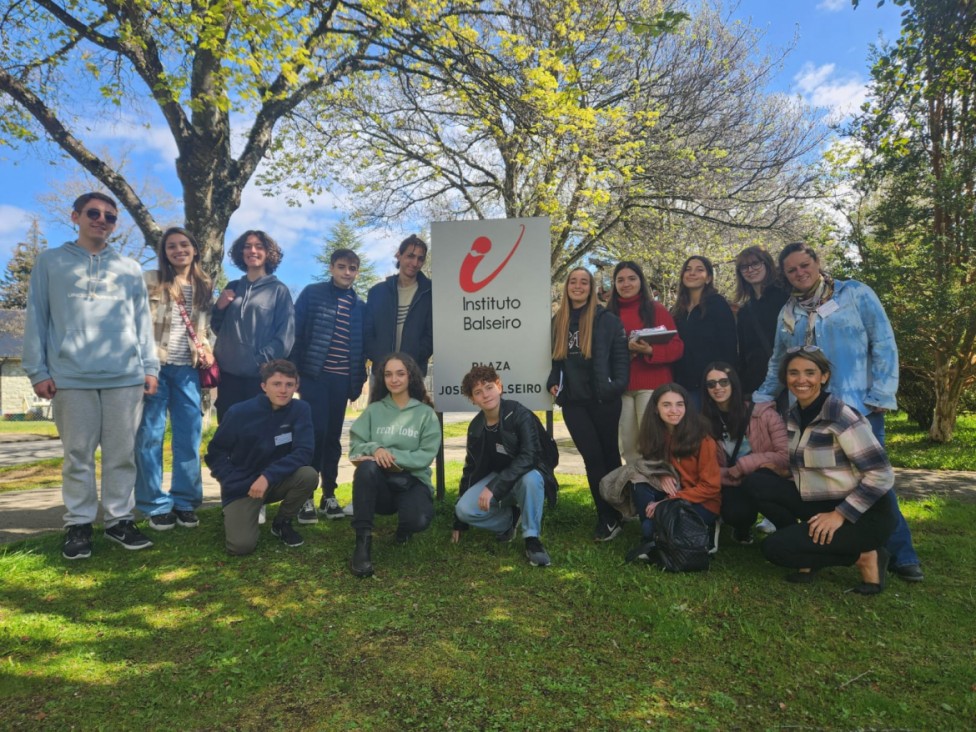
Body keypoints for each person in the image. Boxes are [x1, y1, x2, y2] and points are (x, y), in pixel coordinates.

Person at [752, 242, 923, 582]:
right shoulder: (788, 312)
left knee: (873, 481)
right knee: (820, 481)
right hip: (811, 410)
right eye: (792, 270)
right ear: (785, 276)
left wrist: (882, 392)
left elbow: (884, 342)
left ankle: (901, 553)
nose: (800, 273)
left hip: (858, 405)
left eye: (805, 265)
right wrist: (763, 396)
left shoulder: (855, 294)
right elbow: (778, 359)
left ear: (817, 262)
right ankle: (821, 544)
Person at [23, 192, 160, 559]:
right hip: (70, 376)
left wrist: (150, 367)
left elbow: (141, 323)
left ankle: (119, 521)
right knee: (78, 455)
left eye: (110, 217)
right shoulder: (51, 262)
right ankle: (79, 524)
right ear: (76, 217)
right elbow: (37, 317)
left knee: (121, 455)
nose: (101, 220)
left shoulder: (129, 268)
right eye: (94, 213)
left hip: (125, 376)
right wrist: (37, 370)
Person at [757, 347, 896, 594]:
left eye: (810, 373)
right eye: (793, 373)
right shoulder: (792, 415)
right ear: (785, 378)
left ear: (824, 376)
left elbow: (881, 473)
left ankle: (865, 555)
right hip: (821, 500)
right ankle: (809, 540)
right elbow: (812, 462)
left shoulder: (841, 416)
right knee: (758, 482)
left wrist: (840, 515)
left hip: (864, 514)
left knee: (775, 549)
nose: (801, 380)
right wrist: (784, 474)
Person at [133, 227, 214, 532]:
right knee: (150, 436)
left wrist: (208, 351)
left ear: (194, 248)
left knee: (189, 438)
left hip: (188, 371)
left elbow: (202, 330)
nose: (178, 250)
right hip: (155, 367)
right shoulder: (150, 280)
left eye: (184, 244)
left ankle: (184, 501)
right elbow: (135, 324)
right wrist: (143, 365)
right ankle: (154, 503)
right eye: (171, 246)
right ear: (164, 252)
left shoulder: (205, 284)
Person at [546, 267, 629, 541]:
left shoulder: (607, 320)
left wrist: (614, 386)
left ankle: (619, 511)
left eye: (584, 282)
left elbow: (620, 361)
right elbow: (557, 363)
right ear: (566, 286)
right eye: (573, 281)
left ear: (591, 288)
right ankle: (605, 517)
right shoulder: (558, 321)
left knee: (610, 457)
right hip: (574, 403)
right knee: (592, 458)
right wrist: (553, 382)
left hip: (604, 400)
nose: (578, 286)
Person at [204, 359, 317, 555]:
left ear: (296, 386)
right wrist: (231, 479)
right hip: (244, 485)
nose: (283, 390)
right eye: (276, 384)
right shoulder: (239, 412)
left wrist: (267, 477)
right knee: (241, 546)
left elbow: (304, 452)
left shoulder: (301, 410)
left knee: (309, 475)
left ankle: (282, 523)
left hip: (275, 481)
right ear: (264, 386)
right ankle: (239, 512)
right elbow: (216, 453)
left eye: (289, 385)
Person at [290, 248, 368, 524]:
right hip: (314, 378)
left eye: (352, 268)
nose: (347, 272)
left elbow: (362, 347)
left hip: (341, 382)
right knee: (315, 435)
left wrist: (358, 380)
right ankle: (305, 496)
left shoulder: (360, 306)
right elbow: (296, 331)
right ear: (332, 268)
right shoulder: (312, 294)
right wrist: (294, 372)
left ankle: (329, 494)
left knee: (333, 437)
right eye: (342, 266)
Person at [452, 365, 556, 567]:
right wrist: (459, 521)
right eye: (478, 392)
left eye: (489, 387)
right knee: (463, 509)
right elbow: (470, 471)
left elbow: (530, 456)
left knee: (530, 478)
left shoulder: (520, 414)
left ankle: (532, 540)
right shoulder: (475, 427)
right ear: (473, 399)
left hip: (528, 475)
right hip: (500, 478)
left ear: (499, 386)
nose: (486, 395)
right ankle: (509, 520)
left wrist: (494, 487)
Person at [348, 353, 441, 577]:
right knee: (367, 468)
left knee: (417, 521)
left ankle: (404, 529)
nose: (394, 379)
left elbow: (425, 456)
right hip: (380, 484)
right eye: (388, 374)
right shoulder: (373, 410)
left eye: (400, 373)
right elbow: (354, 447)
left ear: (410, 376)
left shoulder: (425, 414)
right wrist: (374, 449)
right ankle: (362, 543)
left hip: (412, 481)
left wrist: (391, 455)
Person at [625, 383, 721, 561]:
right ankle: (652, 537)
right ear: (656, 409)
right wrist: (661, 473)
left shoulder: (703, 439)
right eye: (666, 405)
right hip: (673, 493)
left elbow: (711, 487)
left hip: (701, 501)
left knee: (651, 527)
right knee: (639, 480)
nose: (674, 410)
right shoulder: (656, 433)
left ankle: (706, 528)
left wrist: (668, 501)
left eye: (679, 404)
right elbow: (648, 462)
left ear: (687, 406)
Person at [700, 362, 789, 545]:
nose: (718, 388)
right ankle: (741, 527)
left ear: (734, 383)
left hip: (764, 479)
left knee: (760, 485)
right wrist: (732, 475)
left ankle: (789, 533)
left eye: (724, 382)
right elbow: (706, 467)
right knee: (735, 513)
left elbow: (785, 455)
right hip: (730, 480)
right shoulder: (704, 421)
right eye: (711, 384)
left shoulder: (763, 413)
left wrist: (743, 467)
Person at [211, 230, 295, 422]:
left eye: (259, 246)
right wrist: (219, 308)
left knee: (258, 433)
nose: (252, 250)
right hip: (228, 376)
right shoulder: (232, 287)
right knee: (228, 431)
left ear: (268, 253)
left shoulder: (278, 290)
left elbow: (286, 337)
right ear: (241, 253)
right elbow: (219, 329)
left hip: (260, 377)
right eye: (247, 246)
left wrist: (260, 361)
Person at [606, 261, 684, 465]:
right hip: (621, 387)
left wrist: (649, 350)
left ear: (641, 281)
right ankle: (637, 491)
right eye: (620, 280)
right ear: (614, 284)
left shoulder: (655, 309)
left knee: (653, 444)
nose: (626, 284)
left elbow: (677, 347)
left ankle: (661, 491)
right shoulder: (607, 314)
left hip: (652, 385)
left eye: (632, 278)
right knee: (629, 446)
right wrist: (624, 353)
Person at [670, 255, 737, 409]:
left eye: (699, 270)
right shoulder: (677, 311)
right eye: (688, 269)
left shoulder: (717, 304)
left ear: (708, 278)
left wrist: (726, 381)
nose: (692, 273)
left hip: (711, 386)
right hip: (682, 385)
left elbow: (729, 346)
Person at [364, 235, 433, 376]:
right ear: (398, 255)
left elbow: (431, 336)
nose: (415, 263)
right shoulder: (377, 292)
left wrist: (410, 361)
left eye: (420, 258)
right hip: (381, 374)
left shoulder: (431, 293)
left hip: (413, 374)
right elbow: (367, 333)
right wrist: (382, 360)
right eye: (410, 256)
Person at [732, 246, 789, 399]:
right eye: (744, 267)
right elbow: (744, 353)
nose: (750, 270)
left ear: (767, 264)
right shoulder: (745, 312)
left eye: (755, 263)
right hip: (757, 386)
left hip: (788, 379)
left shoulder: (786, 297)